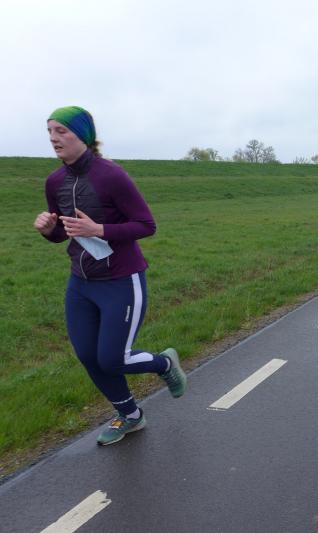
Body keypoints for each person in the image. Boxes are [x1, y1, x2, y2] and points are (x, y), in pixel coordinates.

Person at [34, 106, 186, 446]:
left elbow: (146, 225)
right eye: (50, 131)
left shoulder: (111, 175)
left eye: (61, 131)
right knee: (89, 356)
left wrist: (99, 229)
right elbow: (62, 233)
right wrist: (48, 229)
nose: (53, 138)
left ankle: (164, 364)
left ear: (83, 135)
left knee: (113, 358)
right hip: (81, 283)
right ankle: (130, 416)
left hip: (121, 279)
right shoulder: (54, 182)